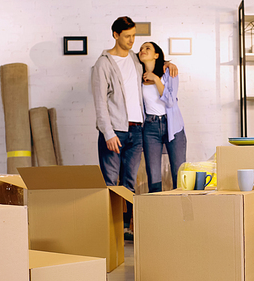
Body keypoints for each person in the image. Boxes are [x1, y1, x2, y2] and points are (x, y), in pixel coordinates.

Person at [91, 17, 176, 239]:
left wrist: (167, 64)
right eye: (127, 36)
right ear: (115, 35)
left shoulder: (133, 59)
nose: (132, 41)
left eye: (134, 36)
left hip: (137, 131)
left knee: (129, 183)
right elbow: (100, 102)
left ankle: (127, 231)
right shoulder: (103, 64)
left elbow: (153, 64)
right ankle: (111, 232)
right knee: (111, 183)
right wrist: (108, 133)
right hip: (114, 132)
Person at [138, 42, 187, 192]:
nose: (142, 51)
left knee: (179, 174)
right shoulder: (137, 74)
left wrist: (156, 79)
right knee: (153, 176)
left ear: (156, 55)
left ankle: (181, 214)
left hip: (173, 125)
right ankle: (157, 213)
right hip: (150, 127)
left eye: (147, 48)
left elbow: (171, 101)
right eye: (140, 49)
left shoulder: (169, 73)